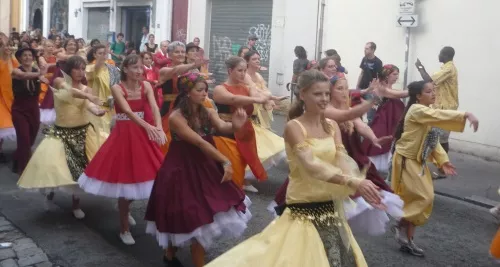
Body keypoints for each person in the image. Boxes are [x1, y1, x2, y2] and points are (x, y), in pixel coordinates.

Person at [206, 69, 383, 267]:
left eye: (326, 93)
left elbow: (341, 159)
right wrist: (353, 181)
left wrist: (360, 186)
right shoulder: (294, 127)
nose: (324, 98)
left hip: (332, 208)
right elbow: (311, 166)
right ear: (302, 95)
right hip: (303, 209)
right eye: (317, 94)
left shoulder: (332, 125)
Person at [145, 73, 251, 267]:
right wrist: (225, 161)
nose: (204, 94)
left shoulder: (206, 110)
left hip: (204, 165)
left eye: (205, 90)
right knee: (184, 216)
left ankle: (177, 256)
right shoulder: (177, 117)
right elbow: (200, 142)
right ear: (187, 92)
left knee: (201, 218)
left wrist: (235, 125)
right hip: (181, 168)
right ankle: (170, 254)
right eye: (199, 90)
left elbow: (221, 126)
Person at [78, 55, 166, 245]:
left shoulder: (147, 86)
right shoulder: (117, 88)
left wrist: (158, 126)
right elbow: (126, 111)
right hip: (125, 135)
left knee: (150, 177)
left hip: (143, 134)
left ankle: (124, 209)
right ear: (125, 69)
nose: (139, 71)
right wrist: (149, 127)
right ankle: (124, 228)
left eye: (141, 67)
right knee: (126, 181)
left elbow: (154, 107)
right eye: (134, 67)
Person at [390, 80, 479, 257]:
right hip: (406, 160)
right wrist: (466, 114)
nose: (433, 94)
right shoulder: (417, 109)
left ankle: (407, 238)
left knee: (417, 199)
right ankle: (400, 223)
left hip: (417, 161)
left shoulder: (425, 114)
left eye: (433, 91)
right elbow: (439, 115)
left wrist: (443, 161)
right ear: (418, 96)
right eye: (429, 91)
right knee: (424, 196)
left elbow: (433, 141)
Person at [17, 55, 107, 219]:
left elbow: (89, 105)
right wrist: (88, 96)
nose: (80, 72)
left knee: (80, 170)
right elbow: (71, 92)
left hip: (82, 133)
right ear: (69, 69)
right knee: (56, 170)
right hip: (61, 134)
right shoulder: (59, 81)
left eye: (82, 68)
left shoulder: (85, 88)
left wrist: (97, 110)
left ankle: (76, 205)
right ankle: (50, 195)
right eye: (76, 68)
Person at [212, 56, 270, 189]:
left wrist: (255, 89)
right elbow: (233, 99)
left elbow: (262, 95)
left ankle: (236, 192)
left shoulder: (247, 88)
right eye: (239, 70)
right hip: (226, 132)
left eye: (245, 70)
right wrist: (257, 99)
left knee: (242, 163)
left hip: (245, 131)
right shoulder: (220, 89)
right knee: (231, 163)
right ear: (229, 71)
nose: (243, 74)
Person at [242, 51, 287, 192]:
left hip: (258, 113)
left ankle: (245, 177)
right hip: (248, 112)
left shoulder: (258, 75)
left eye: (258, 58)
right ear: (247, 62)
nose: (257, 61)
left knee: (259, 144)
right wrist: (269, 97)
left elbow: (265, 92)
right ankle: (244, 178)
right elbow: (257, 93)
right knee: (255, 146)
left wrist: (273, 98)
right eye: (254, 59)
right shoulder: (246, 76)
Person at [415, 46, 458, 179]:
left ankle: (442, 169)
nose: (438, 55)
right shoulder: (447, 68)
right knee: (438, 139)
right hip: (442, 109)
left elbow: (429, 81)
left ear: (445, 55)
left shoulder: (449, 69)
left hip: (446, 109)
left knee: (439, 139)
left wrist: (420, 67)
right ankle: (441, 168)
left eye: (440, 53)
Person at [157, 41, 204, 154]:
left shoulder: (191, 72)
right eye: (177, 52)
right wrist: (193, 64)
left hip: (187, 108)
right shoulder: (164, 70)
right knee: (168, 142)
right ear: (169, 55)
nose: (180, 54)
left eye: (183, 52)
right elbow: (175, 71)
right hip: (169, 109)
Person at [361, 64, 407, 173]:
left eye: (397, 74)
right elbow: (397, 94)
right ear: (387, 75)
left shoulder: (387, 87)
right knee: (382, 140)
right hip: (382, 120)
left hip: (390, 120)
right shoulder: (381, 87)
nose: (396, 77)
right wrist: (416, 90)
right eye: (394, 74)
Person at [11, 47, 47, 174]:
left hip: (33, 108)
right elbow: (23, 76)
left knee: (31, 138)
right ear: (20, 58)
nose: (27, 57)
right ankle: (24, 169)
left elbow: (46, 76)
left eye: (30, 55)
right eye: (24, 55)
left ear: (33, 58)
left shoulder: (36, 70)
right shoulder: (16, 70)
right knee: (24, 138)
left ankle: (17, 158)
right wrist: (40, 74)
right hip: (19, 109)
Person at [86, 44, 120, 133]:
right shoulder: (90, 67)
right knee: (102, 136)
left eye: (104, 53)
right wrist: (100, 60)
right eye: (100, 53)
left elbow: (118, 85)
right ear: (94, 55)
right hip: (98, 107)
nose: (103, 55)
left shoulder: (111, 68)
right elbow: (94, 70)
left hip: (112, 107)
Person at [0, 36, 19, 162]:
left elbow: (18, 70)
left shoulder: (12, 60)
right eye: (3, 45)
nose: (7, 47)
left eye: (8, 45)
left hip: (10, 95)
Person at [356, 42, 383, 122]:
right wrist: (357, 86)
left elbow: (379, 78)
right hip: (361, 87)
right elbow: (362, 73)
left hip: (370, 90)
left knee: (370, 114)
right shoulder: (364, 59)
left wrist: (375, 90)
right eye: (365, 48)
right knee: (358, 110)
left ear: (373, 50)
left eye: (367, 48)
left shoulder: (378, 62)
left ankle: (371, 131)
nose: (365, 50)